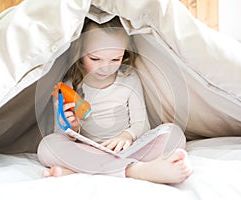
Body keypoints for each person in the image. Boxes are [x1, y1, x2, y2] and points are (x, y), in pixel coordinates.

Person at [37, 17, 192, 184]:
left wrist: (126, 136)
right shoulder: (69, 86)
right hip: (89, 150)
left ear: (124, 54)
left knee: (173, 133)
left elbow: (142, 124)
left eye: (115, 59)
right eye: (95, 59)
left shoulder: (129, 79)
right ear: (80, 53)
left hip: (129, 149)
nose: (106, 67)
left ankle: (81, 170)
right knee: (48, 145)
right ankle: (135, 170)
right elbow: (61, 134)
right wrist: (73, 127)